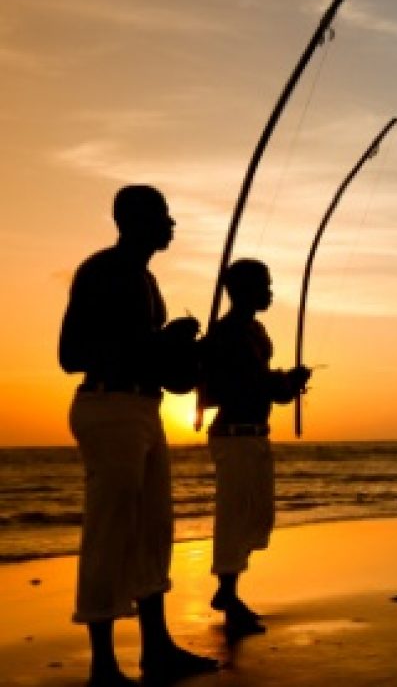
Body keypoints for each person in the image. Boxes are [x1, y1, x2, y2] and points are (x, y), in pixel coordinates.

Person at [58, 184, 219, 686]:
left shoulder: (149, 281)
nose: (172, 224)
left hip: (143, 409)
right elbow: (71, 355)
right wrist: (157, 340)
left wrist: (190, 355)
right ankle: (103, 664)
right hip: (108, 408)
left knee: (153, 531)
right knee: (110, 532)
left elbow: (166, 374)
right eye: (163, 215)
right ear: (133, 221)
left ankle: (157, 647)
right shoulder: (101, 271)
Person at [201, 258, 310, 635]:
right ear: (243, 290)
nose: (270, 292)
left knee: (257, 517)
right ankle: (228, 594)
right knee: (235, 517)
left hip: (255, 433)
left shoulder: (255, 331)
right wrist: (286, 383)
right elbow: (249, 383)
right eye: (263, 285)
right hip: (234, 434)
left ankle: (228, 590)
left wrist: (286, 384)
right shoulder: (227, 333)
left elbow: (265, 385)